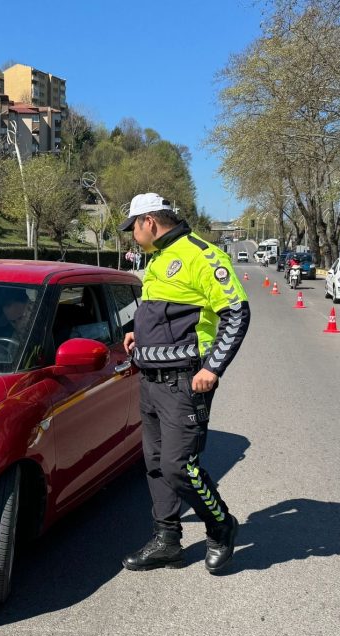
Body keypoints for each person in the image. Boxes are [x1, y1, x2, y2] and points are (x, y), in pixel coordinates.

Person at [119, 192, 252, 575]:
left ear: (149, 221)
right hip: (151, 379)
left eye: (133, 228)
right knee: (156, 464)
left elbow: (237, 313)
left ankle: (221, 526)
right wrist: (135, 332)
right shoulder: (158, 257)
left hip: (185, 383)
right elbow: (160, 310)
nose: (132, 236)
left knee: (180, 466)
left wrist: (213, 368)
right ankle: (168, 541)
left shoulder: (203, 255)